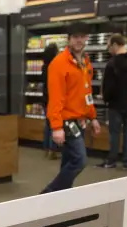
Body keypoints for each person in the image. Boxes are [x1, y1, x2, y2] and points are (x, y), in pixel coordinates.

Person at [42, 22, 101, 194]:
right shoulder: (58, 64)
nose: (79, 40)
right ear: (68, 39)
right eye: (75, 37)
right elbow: (56, 98)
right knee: (80, 160)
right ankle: (48, 193)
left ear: (87, 39)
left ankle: (61, 198)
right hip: (66, 121)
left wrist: (93, 117)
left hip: (80, 121)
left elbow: (87, 93)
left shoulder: (86, 64)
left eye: (82, 37)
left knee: (68, 162)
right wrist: (56, 127)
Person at [100, 33, 127, 170]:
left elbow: (109, 87)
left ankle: (111, 161)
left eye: (109, 46)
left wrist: (105, 97)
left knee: (115, 133)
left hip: (116, 104)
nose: (108, 49)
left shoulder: (113, 63)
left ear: (116, 45)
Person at [41, 43, 60, 160]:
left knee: (47, 125)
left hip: (45, 99)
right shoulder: (54, 66)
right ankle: (53, 150)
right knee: (54, 125)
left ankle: (46, 149)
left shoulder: (44, 67)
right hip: (53, 99)